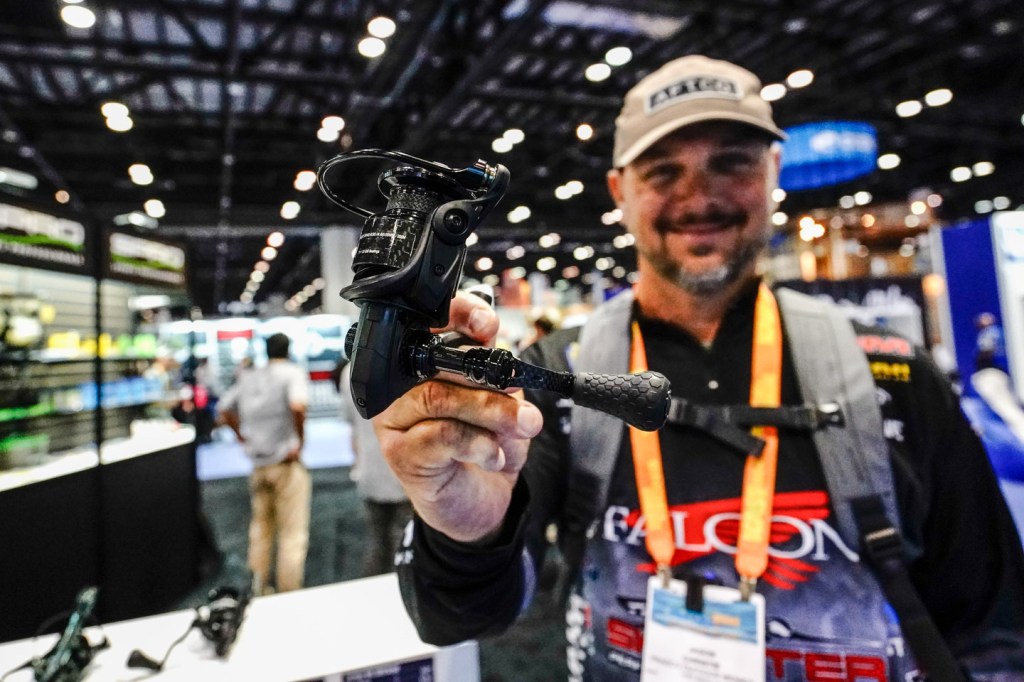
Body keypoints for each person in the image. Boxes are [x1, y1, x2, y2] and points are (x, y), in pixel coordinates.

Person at [373, 55, 1024, 679]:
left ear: (774, 171)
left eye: (731, 163)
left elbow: (995, 629)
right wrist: (463, 526)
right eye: (663, 172)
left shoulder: (891, 373)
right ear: (619, 191)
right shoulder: (556, 373)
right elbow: (461, 616)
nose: (699, 197)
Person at [218, 332, 311, 594]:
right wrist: (300, 441)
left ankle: (258, 589)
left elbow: (224, 409)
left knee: (260, 531)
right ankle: (288, 593)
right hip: (284, 463)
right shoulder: (292, 373)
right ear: (288, 350)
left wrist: (241, 437)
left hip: (258, 464)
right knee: (292, 533)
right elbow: (297, 406)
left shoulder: (250, 377)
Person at [339, 363, 413, 576]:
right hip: (403, 475)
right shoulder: (405, 364)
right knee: (404, 545)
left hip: (370, 471)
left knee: (379, 542)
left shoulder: (350, 371)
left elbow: (352, 427)